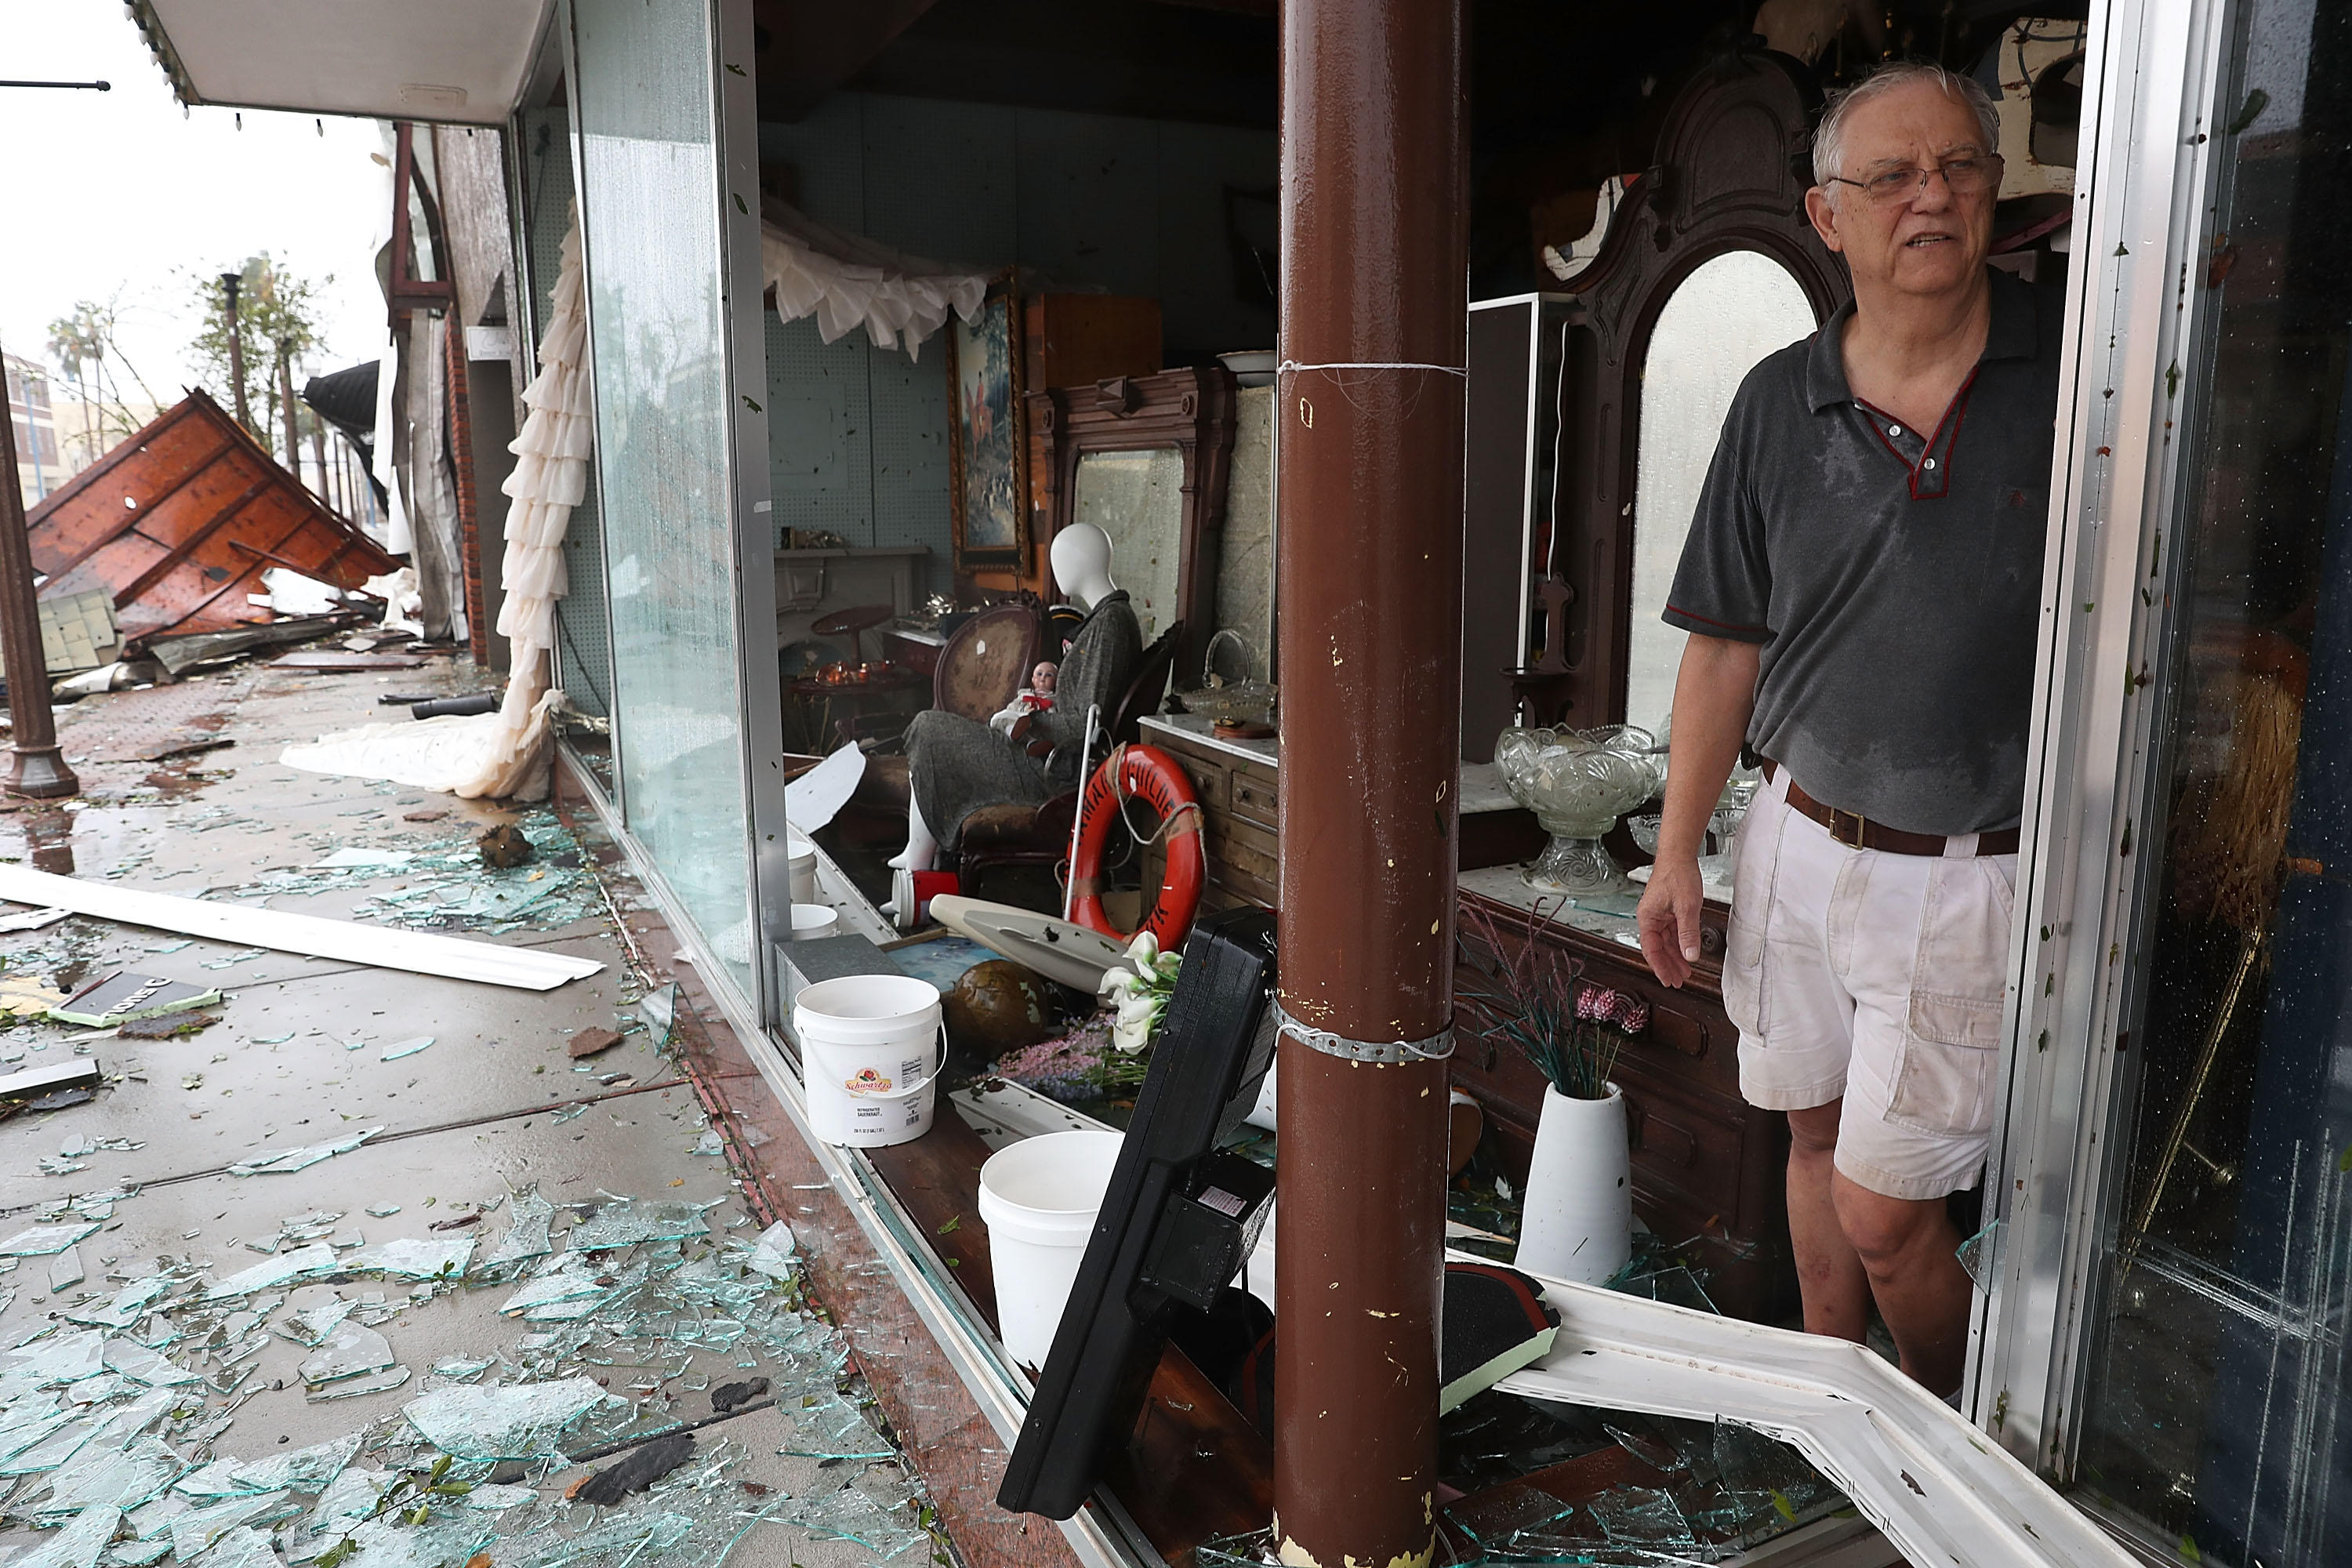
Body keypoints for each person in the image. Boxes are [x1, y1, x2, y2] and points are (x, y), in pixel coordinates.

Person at [1633, 60, 2061, 1398]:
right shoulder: (1776, 401)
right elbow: (1723, 649)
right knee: (1809, 1145)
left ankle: (1947, 1439)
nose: (1930, 195)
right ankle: (1835, 1410)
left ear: (1992, 191)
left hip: (1971, 871)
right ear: (1829, 217)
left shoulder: (2078, 373)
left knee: (1889, 1212)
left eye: (1961, 168)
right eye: (1892, 176)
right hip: (1800, 844)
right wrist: (1675, 853)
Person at [886, 524, 1142, 924]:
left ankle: (919, 864)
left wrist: (1032, 720)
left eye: (1058, 558)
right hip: (1046, 755)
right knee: (935, 730)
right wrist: (1033, 707)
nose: (1054, 568)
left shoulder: (1110, 627)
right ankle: (920, 857)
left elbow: (1085, 727)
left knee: (928, 727)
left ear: (1077, 562)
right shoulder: (1107, 620)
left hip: (1053, 774)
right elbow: (1083, 709)